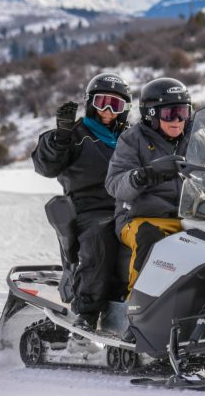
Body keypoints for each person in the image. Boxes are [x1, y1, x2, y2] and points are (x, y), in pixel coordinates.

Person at [32, 72, 132, 330]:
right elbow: (46, 166)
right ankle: (88, 312)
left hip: (131, 205)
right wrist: (60, 138)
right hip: (91, 208)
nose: (108, 111)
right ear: (90, 103)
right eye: (102, 102)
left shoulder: (131, 138)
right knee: (101, 235)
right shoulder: (74, 134)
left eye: (116, 105)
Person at [105, 77, 193, 291]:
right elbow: (114, 183)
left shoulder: (196, 138)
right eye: (170, 114)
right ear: (151, 114)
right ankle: (138, 310)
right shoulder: (132, 139)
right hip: (139, 218)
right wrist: (144, 175)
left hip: (190, 218)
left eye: (183, 112)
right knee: (149, 237)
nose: (177, 120)